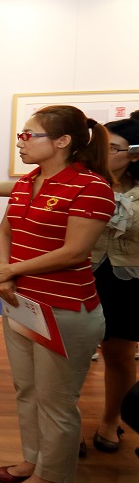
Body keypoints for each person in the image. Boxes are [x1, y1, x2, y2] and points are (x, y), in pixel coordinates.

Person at [0, 106, 114, 483]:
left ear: (62, 142)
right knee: (28, 388)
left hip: (65, 308)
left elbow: (75, 252)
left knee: (56, 399)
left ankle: (51, 477)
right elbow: (6, 231)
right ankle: (34, 459)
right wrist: (5, 272)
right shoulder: (28, 182)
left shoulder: (91, 187)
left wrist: (10, 271)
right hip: (21, 302)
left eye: (29, 135)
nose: (20, 143)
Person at [90, 115, 139, 453]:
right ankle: (63, 424)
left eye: (112, 147)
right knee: (71, 354)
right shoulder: (85, 181)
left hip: (128, 280)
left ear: (134, 154)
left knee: (119, 354)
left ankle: (111, 419)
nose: (102, 152)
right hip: (82, 274)